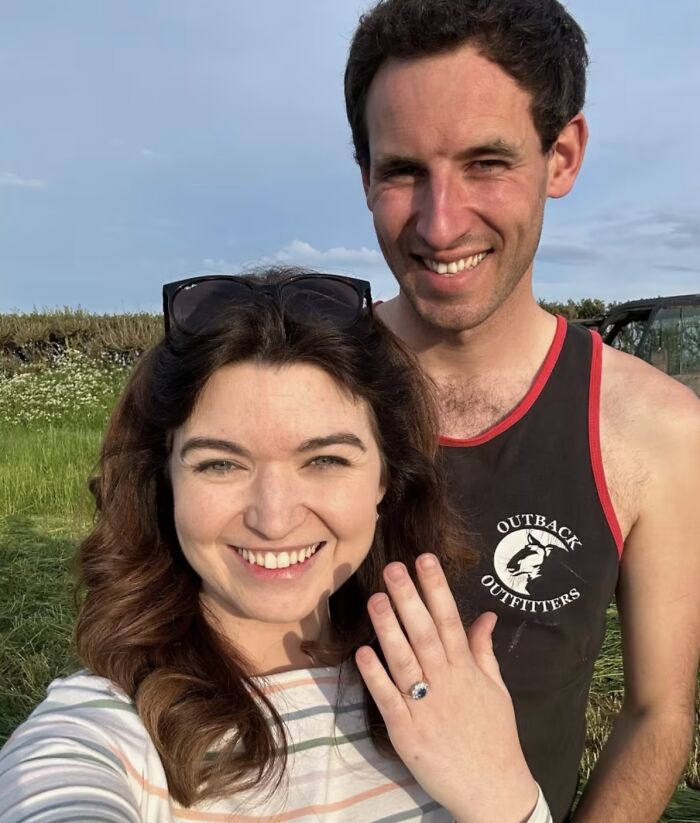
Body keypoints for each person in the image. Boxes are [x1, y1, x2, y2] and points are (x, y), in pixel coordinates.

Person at [0, 269, 553, 821]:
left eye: (325, 460)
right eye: (220, 463)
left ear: (385, 479)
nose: (274, 518)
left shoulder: (447, 689)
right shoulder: (104, 731)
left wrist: (505, 796)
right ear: (165, 482)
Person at [344, 2, 700, 821]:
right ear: (364, 175)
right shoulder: (291, 390)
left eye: (485, 163)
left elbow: (657, 713)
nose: (440, 222)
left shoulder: (656, 430)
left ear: (562, 154)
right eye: (402, 170)